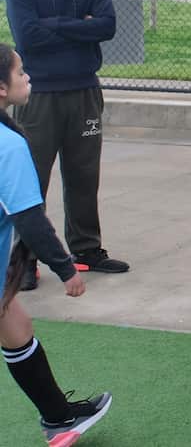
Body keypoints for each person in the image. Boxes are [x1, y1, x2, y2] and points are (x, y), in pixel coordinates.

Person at [4, 0, 126, 292]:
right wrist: (80, 28)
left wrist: (53, 25)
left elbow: (107, 27)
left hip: (84, 91)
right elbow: (27, 38)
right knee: (31, 181)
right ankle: (25, 263)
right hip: (39, 95)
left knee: (84, 175)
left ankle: (87, 250)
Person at [0, 42, 112, 446]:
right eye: (20, 72)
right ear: (1, 88)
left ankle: (58, 418)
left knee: (16, 325)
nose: (27, 77)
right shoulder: (10, 146)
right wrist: (66, 270)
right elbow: (30, 219)